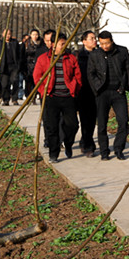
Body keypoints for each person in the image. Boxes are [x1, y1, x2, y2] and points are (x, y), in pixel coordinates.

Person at [33, 33, 82, 163]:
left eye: (65, 44)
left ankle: (68, 143)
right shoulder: (44, 59)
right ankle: (53, 154)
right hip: (51, 97)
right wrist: (43, 91)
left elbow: (78, 76)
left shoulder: (71, 58)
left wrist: (74, 88)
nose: (64, 46)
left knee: (73, 125)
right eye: (62, 44)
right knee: (52, 127)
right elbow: (37, 77)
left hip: (68, 96)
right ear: (53, 44)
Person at [88, 30, 129, 161]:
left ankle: (119, 149)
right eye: (101, 43)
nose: (104, 46)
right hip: (102, 93)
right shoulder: (95, 54)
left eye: (107, 43)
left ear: (112, 41)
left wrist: (124, 86)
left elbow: (128, 70)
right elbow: (91, 73)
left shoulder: (122, 51)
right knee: (102, 124)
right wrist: (97, 88)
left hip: (118, 92)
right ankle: (104, 151)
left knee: (123, 121)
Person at [75, 30, 98, 157]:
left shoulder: (99, 54)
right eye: (91, 38)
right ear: (84, 41)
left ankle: (86, 140)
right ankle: (88, 145)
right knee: (84, 119)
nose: (95, 40)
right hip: (83, 91)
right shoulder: (78, 55)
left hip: (96, 91)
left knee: (92, 119)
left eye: (95, 38)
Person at [0, 28, 21, 106]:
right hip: (3, 66)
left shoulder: (15, 42)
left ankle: (15, 99)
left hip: (14, 66)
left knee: (15, 81)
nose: (7, 36)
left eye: (9, 34)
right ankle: (6, 99)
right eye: (6, 34)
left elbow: (19, 54)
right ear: (3, 34)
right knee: (4, 84)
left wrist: (18, 65)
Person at [24, 29, 43, 102]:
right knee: (29, 82)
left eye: (36, 35)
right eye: (33, 35)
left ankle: (34, 97)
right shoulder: (27, 43)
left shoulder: (41, 43)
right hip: (29, 65)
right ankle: (29, 96)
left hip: (37, 64)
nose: (35, 36)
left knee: (36, 82)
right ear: (30, 35)